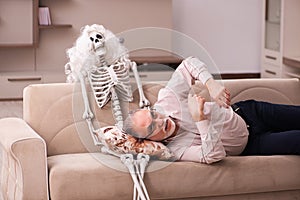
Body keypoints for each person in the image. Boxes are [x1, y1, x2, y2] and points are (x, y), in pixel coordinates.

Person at [123, 57, 300, 164]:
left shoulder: (168, 100)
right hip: (253, 144)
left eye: (154, 115)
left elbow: (188, 64)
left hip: (249, 112)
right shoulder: (176, 149)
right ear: (147, 140)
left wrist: (211, 85)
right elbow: (213, 155)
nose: (161, 122)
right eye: (152, 128)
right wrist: (200, 119)